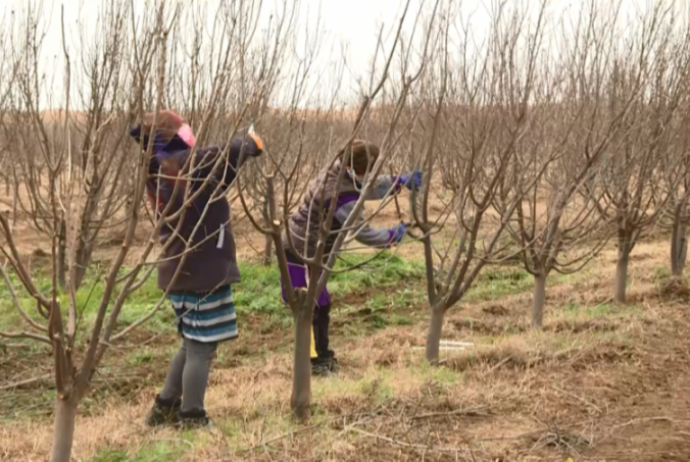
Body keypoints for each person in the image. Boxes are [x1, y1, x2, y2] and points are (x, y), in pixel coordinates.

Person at [129, 110, 264, 427]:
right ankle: (192, 414)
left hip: (180, 270)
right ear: (173, 136)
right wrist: (251, 142)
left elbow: (216, 174)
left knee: (191, 342)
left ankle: (164, 407)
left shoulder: (162, 168)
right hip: (201, 271)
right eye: (183, 129)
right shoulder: (179, 163)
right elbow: (227, 152)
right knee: (201, 348)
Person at [281, 140, 421, 376]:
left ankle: (323, 355)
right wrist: (391, 236)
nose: (372, 176)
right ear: (355, 169)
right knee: (304, 305)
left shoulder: (341, 168)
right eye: (370, 170)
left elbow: (368, 186)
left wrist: (400, 182)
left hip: (314, 247)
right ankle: (313, 363)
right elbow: (361, 232)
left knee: (322, 301)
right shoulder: (339, 195)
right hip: (297, 248)